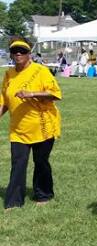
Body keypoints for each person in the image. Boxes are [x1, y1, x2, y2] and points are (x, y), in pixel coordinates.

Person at [1, 37, 62, 210]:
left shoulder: (40, 71)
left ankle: (43, 194)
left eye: (22, 51)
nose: (18, 54)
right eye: (14, 51)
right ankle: (13, 201)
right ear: (11, 55)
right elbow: (4, 101)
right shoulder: (9, 74)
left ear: (29, 54)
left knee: (41, 161)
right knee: (18, 163)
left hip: (42, 126)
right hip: (18, 128)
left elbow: (56, 94)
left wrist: (32, 94)